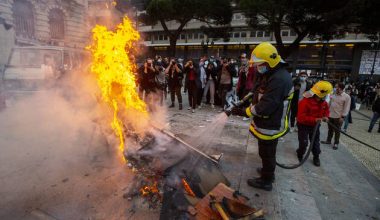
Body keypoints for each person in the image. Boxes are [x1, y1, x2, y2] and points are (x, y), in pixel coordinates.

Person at [232, 42, 293, 191]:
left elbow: (266, 106)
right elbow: (257, 89)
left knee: (267, 152)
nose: (258, 67)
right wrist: (243, 100)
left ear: (269, 62)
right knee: (265, 151)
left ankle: (266, 180)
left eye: (260, 64)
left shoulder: (280, 79)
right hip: (266, 121)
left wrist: (243, 112)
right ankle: (267, 170)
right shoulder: (270, 72)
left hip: (272, 122)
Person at [296, 81, 332, 167]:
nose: (326, 96)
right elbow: (300, 118)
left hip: (315, 126)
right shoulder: (304, 102)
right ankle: (300, 153)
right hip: (303, 125)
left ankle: (316, 156)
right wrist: (315, 119)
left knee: (315, 143)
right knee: (303, 143)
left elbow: (326, 111)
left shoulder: (323, 103)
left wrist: (326, 117)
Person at [321, 83, 351, 150]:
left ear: (340, 88)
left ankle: (336, 143)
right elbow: (329, 104)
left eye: (336, 87)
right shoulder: (333, 95)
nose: (335, 88)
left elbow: (346, 107)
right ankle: (328, 140)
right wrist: (326, 114)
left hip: (338, 117)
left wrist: (342, 117)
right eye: (335, 87)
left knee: (337, 131)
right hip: (330, 115)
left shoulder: (346, 97)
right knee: (330, 129)